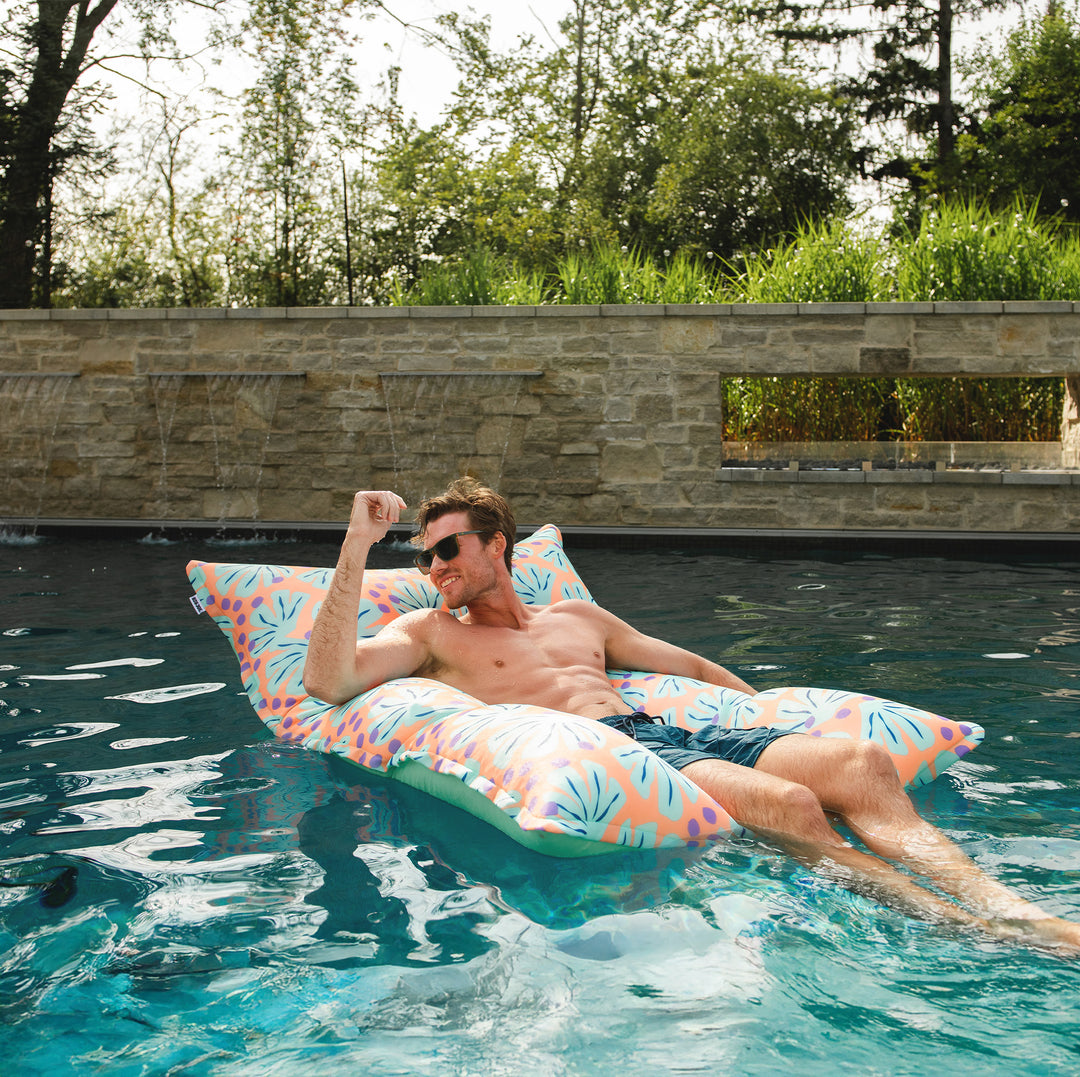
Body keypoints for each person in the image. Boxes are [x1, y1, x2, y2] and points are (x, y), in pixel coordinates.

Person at [304, 479, 1080, 952]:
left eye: (446, 550)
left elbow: (692, 667)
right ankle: (951, 921)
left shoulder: (577, 614)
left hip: (674, 728)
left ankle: (1004, 907)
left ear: (496, 545)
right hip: (617, 754)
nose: (432, 568)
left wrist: (759, 708)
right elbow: (327, 679)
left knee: (858, 763)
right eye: (422, 557)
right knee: (791, 803)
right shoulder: (429, 633)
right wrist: (355, 541)